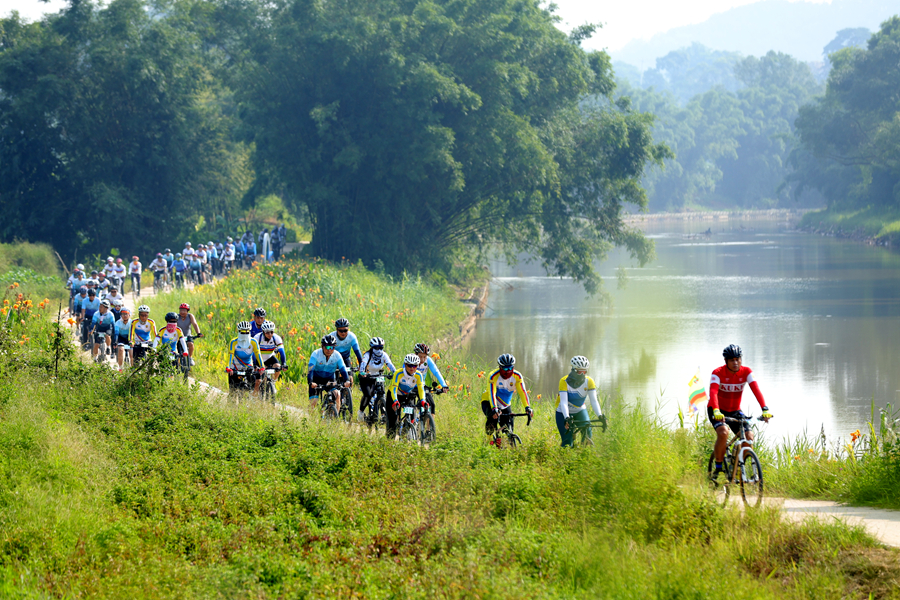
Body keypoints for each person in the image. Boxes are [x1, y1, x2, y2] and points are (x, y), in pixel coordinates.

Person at [708, 344, 773, 480]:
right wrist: (716, 410)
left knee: (749, 437)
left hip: (735, 410)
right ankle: (718, 467)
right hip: (717, 409)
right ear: (726, 361)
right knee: (723, 432)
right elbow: (713, 392)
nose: (736, 362)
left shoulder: (746, 372)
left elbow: (756, 389)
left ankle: (737, 468)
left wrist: (765, 408)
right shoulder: (717, 373)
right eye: (732, 360)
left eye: (738, 359)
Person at [481, 353, 532, 448]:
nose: (508, 371)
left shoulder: (517, 376)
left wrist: (527, 407)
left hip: (505, 404)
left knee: (508, 428)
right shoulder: (493, 376)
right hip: (489, 401)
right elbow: (492, 393)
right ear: (500, 367)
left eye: (510, 368)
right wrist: (494, 408)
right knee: (492, 418)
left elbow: (522, 392)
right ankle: (489, 440)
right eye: (505, 369)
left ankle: (507, 446)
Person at [556, 356, 605, 447]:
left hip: (580, 410)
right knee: (567, 442)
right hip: (563, 412)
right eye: (579, 371)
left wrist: (600, 415)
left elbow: (594, 401)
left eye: (584, 371)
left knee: (587, 435)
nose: (582, 374)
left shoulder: (589, 381)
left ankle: (583, 454)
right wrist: (566, 417)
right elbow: (563, 402)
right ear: (573, 370)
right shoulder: (564, 381)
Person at [307, 334, 350, 412]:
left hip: (330, 380)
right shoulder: (315, 354)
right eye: (327, 347)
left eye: (332, 347)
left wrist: (347, 380)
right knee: (314, 402)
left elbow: (343, 369)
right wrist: (310, 382)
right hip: (316, 380)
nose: (329, 350)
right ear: (322, 346)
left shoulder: (337, 355)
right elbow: (310, 370)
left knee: (337, 395)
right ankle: (311, 420)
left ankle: (335, 419)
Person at [386, 354, 426, 439]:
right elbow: (394, 389)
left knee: (411, 414)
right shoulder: (399, 373)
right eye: (409, 365)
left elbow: (421, 389)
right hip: (394, 395)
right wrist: (395, 401)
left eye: (414, 366)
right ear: (405, 364)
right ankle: (389, 441)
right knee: (392, 419)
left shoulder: (418, 375)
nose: (412, 368)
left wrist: (423, 400)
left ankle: (405, 434)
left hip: (407, 395)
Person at [358, 337, 395, 421]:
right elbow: (363, 364)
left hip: (378, 376)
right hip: (367, 377)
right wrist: (362, 372)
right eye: (376, 348)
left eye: (381, 348)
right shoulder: (367, 354)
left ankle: (383, 415)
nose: (379, 350)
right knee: (368, 395)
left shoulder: (384, 355)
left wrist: (395, 374)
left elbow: (390, 364)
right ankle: (361, 412)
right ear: (372, 347)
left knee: (382, 393)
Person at [226, 321, 264, 393]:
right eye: (243, 332)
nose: (245, 334)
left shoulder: (254, 342)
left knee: (251, 386)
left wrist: (262, 366)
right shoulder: (233, 342)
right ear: (239, 331)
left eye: (247, 332)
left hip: (248, 367)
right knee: (232, 392)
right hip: (234, 367)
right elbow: (230, 355)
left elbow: (258, 355)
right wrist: (228, 367)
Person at [413, 342, 448, 415]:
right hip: (410, 385)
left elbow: (436, 372)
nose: (422, 359)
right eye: (420, 356)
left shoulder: (428, 360)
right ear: (415, 354)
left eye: (424, 357)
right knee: (410, 406)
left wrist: (444, 385)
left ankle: (430, 426)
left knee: (432, 405)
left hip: (421, 386)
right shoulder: (411, 359)